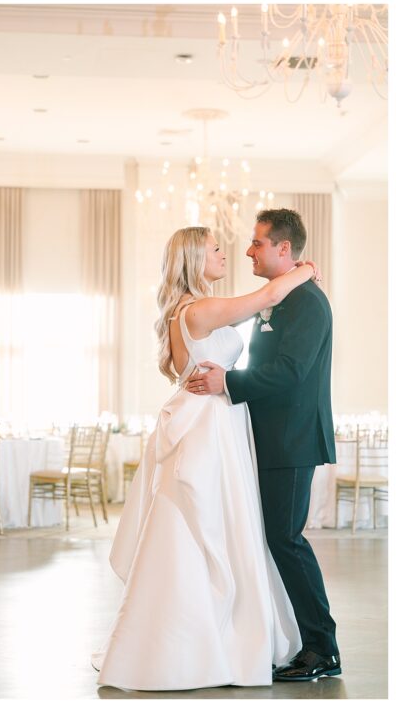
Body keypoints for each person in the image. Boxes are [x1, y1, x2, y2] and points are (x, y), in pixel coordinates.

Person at [94, 224, 319, 691]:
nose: (227, 255)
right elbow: (268, 296)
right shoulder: (201, 310)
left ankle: (207, 633)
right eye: (217, 250)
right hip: (207, 427)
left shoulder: (195, 310)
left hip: (212, 422)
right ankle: (199, 641)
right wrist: (307, 269)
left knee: (210, 526)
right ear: (196, 260)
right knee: (209, 526)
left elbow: (262, 308)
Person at [185, 209, 339, 681]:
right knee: (275, 539)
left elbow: (290, 371)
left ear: (283, 250)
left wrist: (228, 382)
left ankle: (322, 649)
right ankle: (292, 639)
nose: (249, 251)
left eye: (256, 243)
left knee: (286, 540)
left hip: (294, 439)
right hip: (268, 439)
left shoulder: (308, 303)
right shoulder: (282, 298)